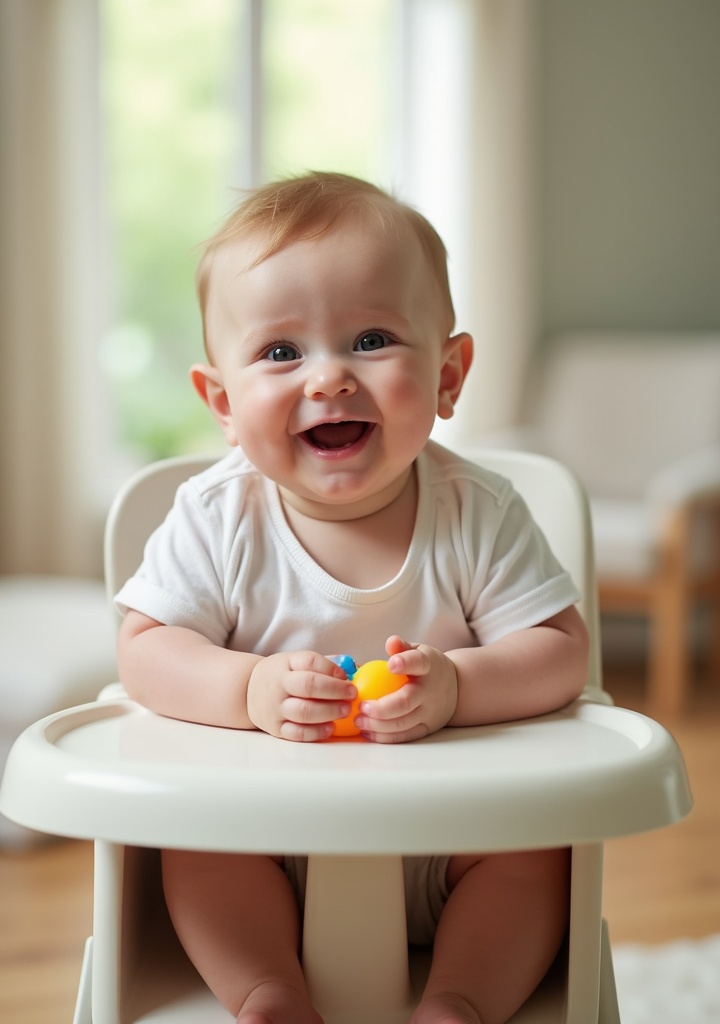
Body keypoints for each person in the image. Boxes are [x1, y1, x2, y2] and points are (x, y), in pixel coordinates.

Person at [115, 171, 589, 1024]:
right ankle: (268, 992)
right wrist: (248, 689)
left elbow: (560, 649)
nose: (327, 378)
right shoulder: (217, 518)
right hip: (268, 840)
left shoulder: (476, 514)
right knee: (195, 852)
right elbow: (145, 650)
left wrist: (459, 688)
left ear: (449, 375)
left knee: (536, 855)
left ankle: (459, 1002)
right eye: (281, 352)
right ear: (222, 403)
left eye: (372, 338)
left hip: (455, 839)